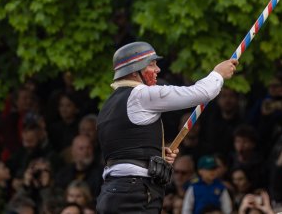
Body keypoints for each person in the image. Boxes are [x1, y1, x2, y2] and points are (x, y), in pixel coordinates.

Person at [95, 41, 237, 213]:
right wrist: (218, 74)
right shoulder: (141, 94)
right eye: (152, 64)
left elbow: (125, 151)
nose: (158, 70)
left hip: (116, 191)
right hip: (134, 192)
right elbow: (202, 93)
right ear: (134, 71)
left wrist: (155, 155)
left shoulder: (108, 105)